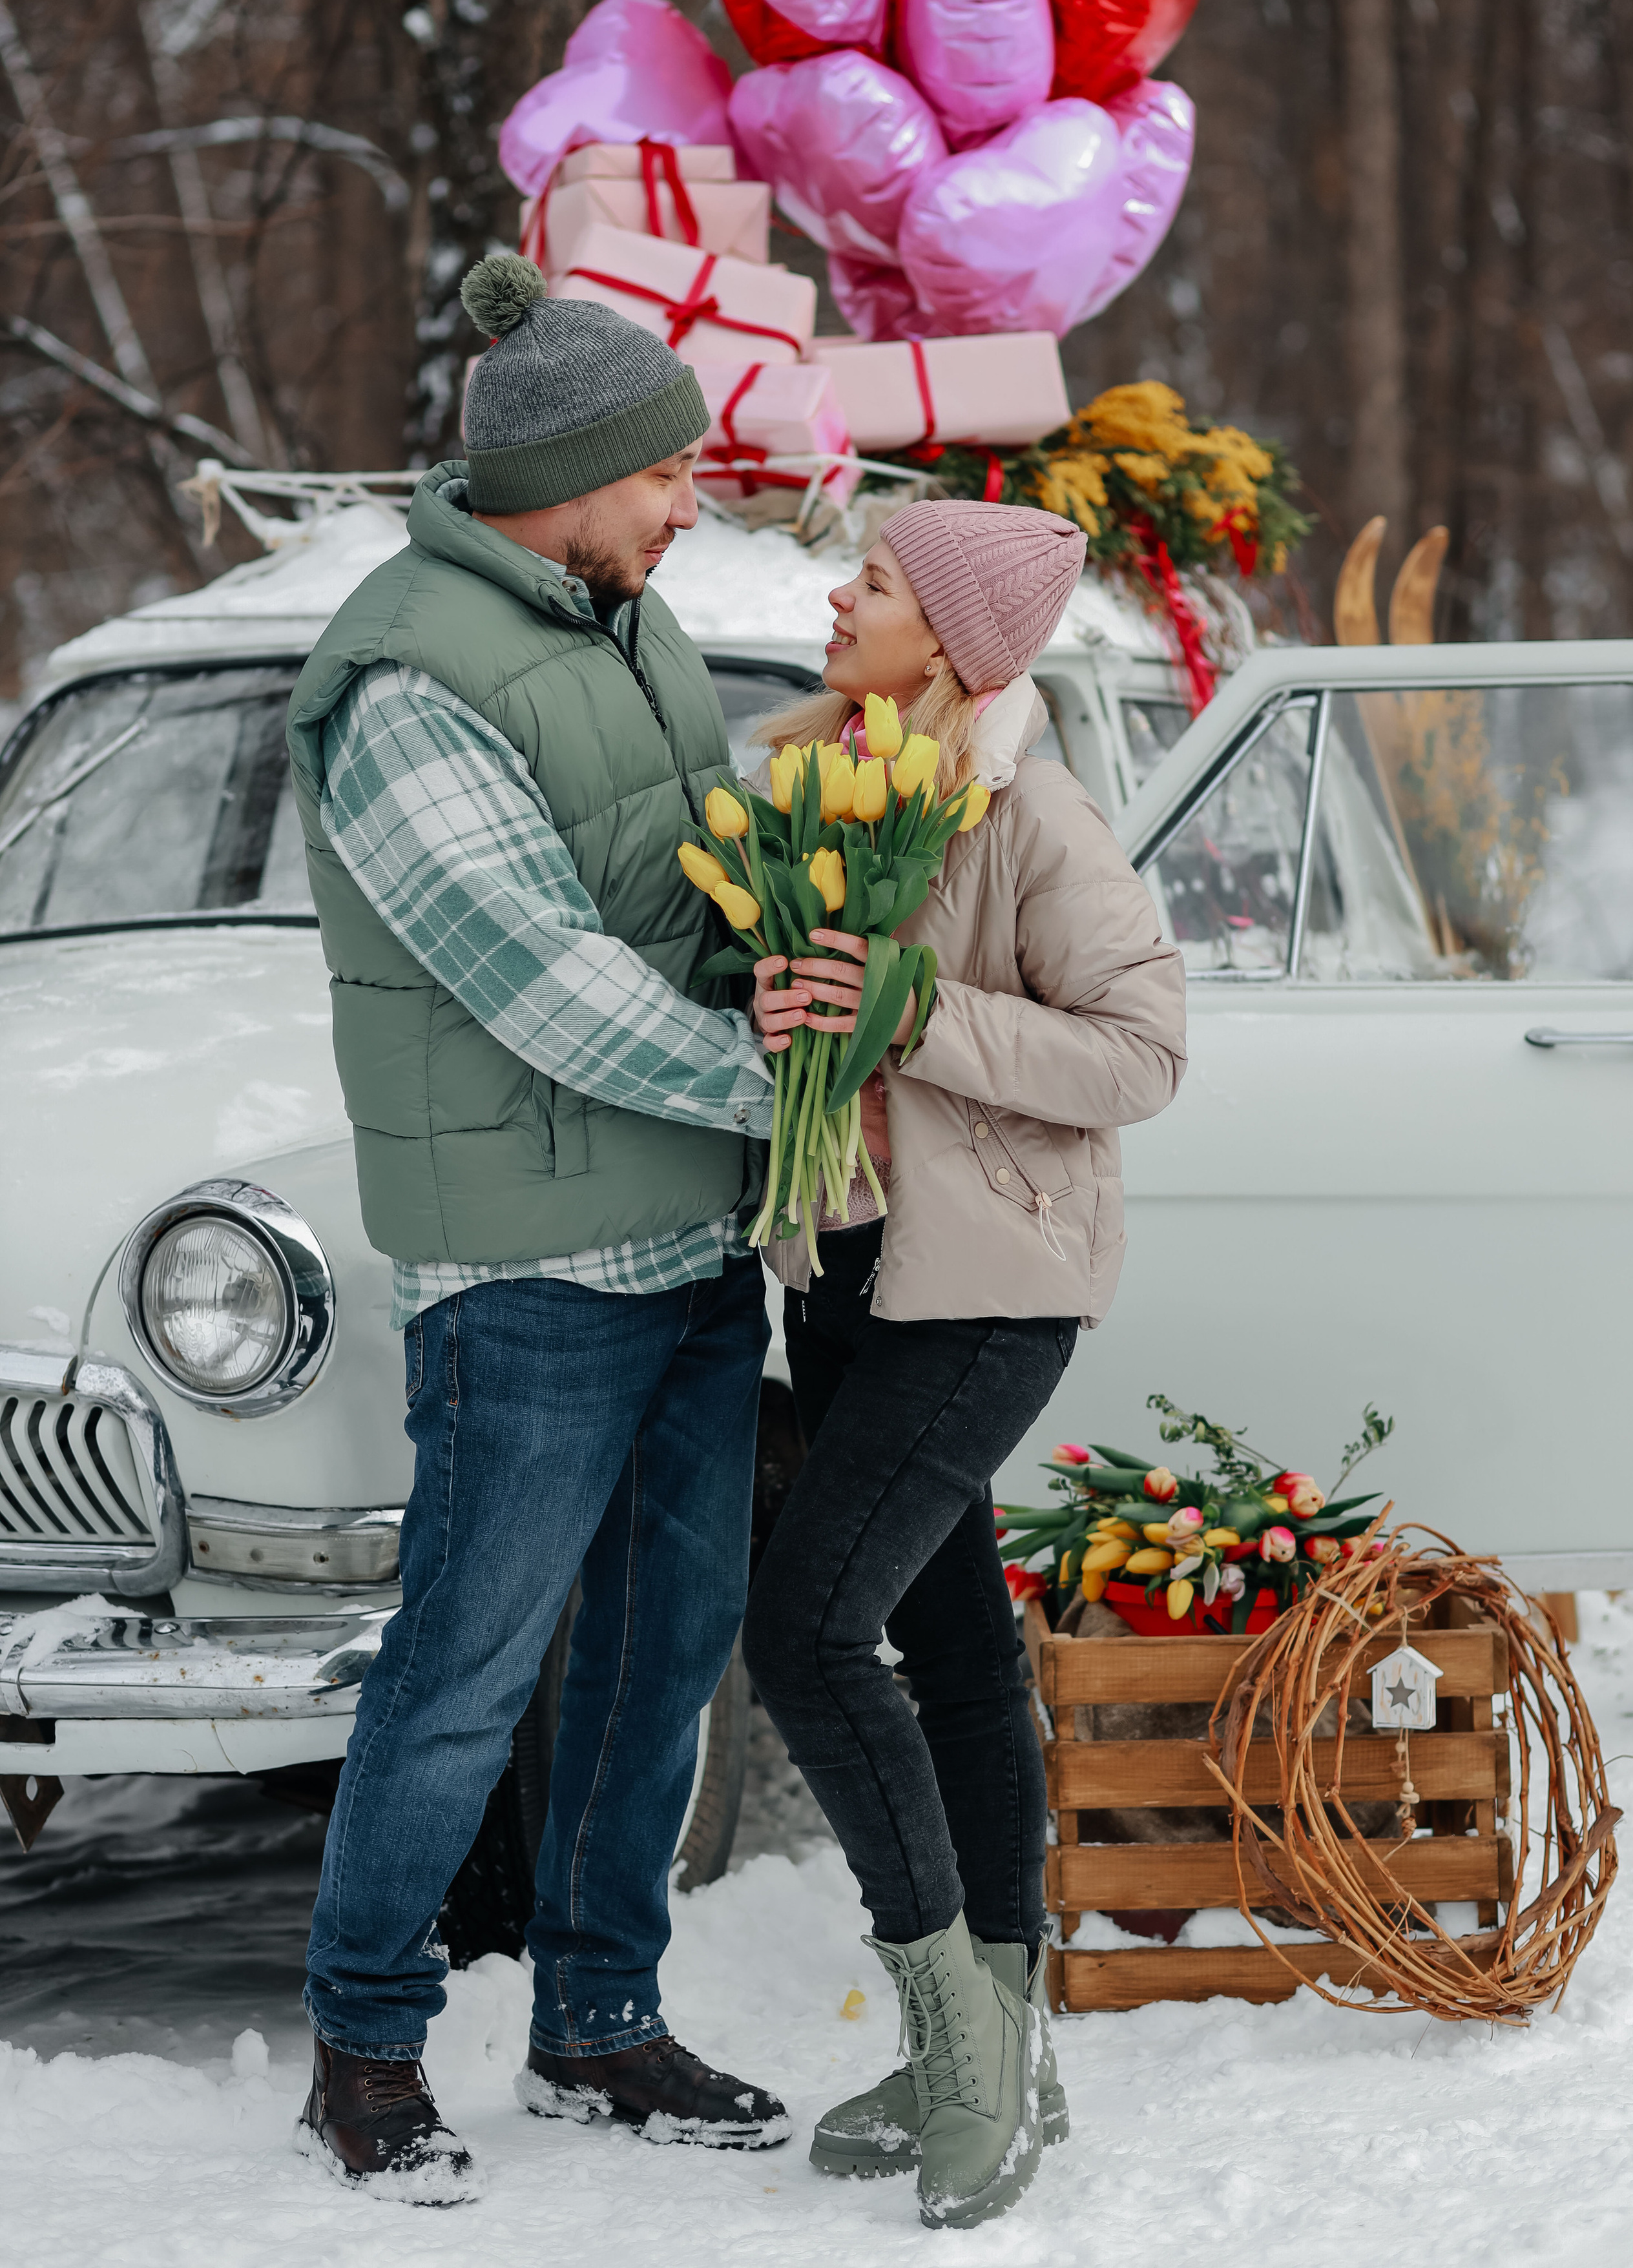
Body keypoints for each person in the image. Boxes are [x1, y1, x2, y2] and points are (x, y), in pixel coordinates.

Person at [284, 256, 790, 2199]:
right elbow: (543, 982)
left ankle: (598, 2020)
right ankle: (364, 2045)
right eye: (668, 474)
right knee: (467, 1670)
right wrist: (793, 1095)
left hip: (683, 1243)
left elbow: (691, 863)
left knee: (664, 1658)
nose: (692, 503)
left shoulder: (618, 617)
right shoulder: (409, 680)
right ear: (571, 479)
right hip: (534, 1268)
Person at [740, 499, 1187, 2231]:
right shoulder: (824, 787)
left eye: (871, 583)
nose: (836, 599)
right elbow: (822, 1019)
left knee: (804, 1627)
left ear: (950, 637)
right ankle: (1004, 2047)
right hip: (848, 1270)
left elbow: (1143, 1052)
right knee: (946, 1643)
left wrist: (915, 1014)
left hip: (990, 1284)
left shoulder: (1033, 809)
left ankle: (964, 2050)